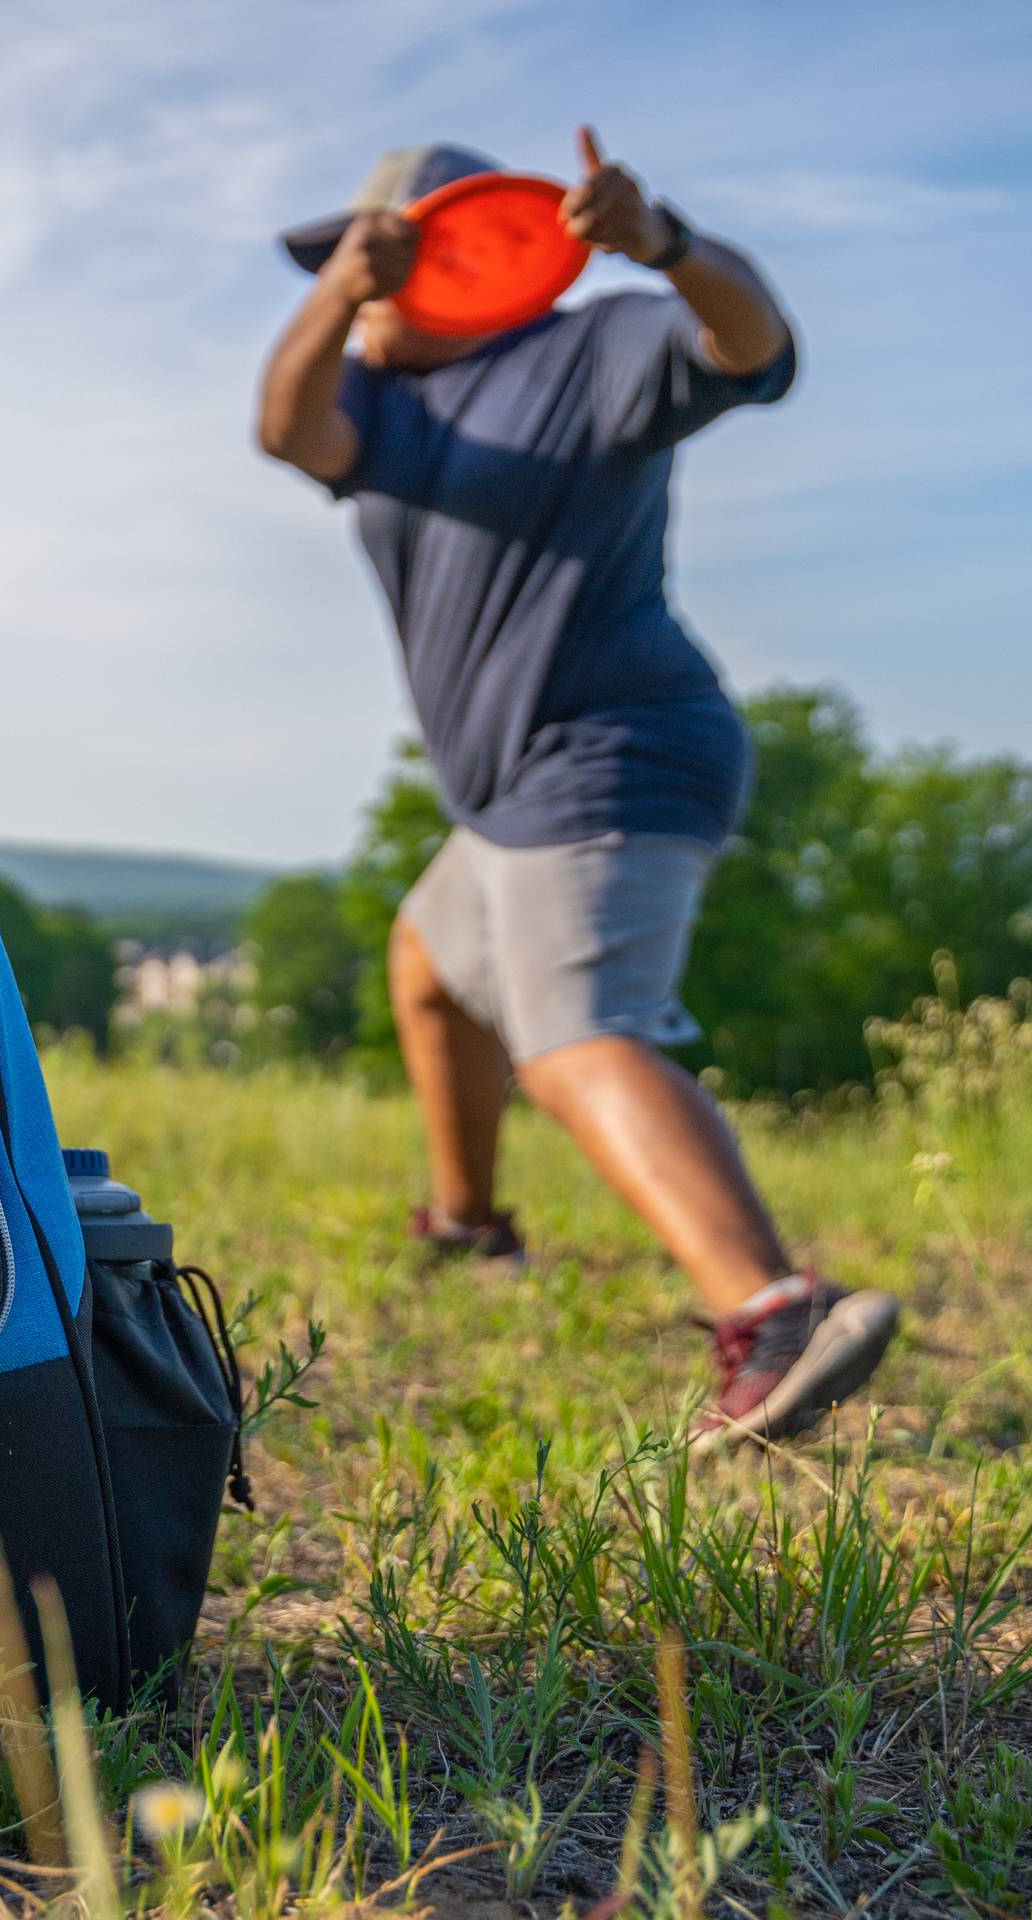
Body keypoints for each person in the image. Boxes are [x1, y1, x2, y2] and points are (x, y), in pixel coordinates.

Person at [256, 130, 896, 1454]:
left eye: (363, 259)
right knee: (429, 962)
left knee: (572, 1033)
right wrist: (336, 302)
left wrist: (663, 245)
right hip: (509, 790)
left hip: (615, 748)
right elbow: (285, 428)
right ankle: (470, 1225)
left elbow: (747, 342)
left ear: (453, 261)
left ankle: (773, 1312)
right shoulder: (383, 409)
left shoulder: (588, 351)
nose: (351, 285)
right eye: (337, 268)